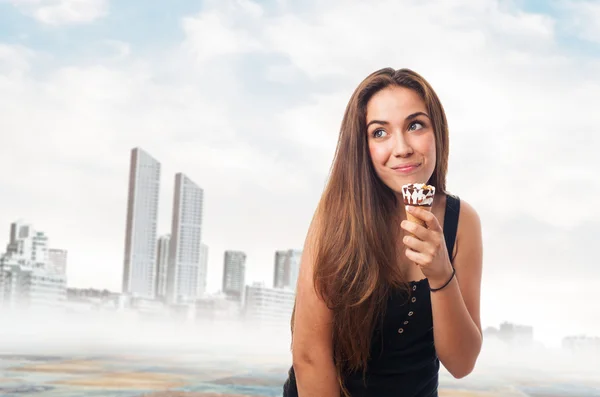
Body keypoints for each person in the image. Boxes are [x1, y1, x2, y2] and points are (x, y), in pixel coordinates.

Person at [282, 67, 483, 397]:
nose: (402, 147)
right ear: (362, 146)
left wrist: (440, 274)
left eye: (415, 125)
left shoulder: (462, 222)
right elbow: (309, 357)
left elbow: (461, 364)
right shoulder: (334, 218)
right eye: (379, 133)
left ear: (438, 132)